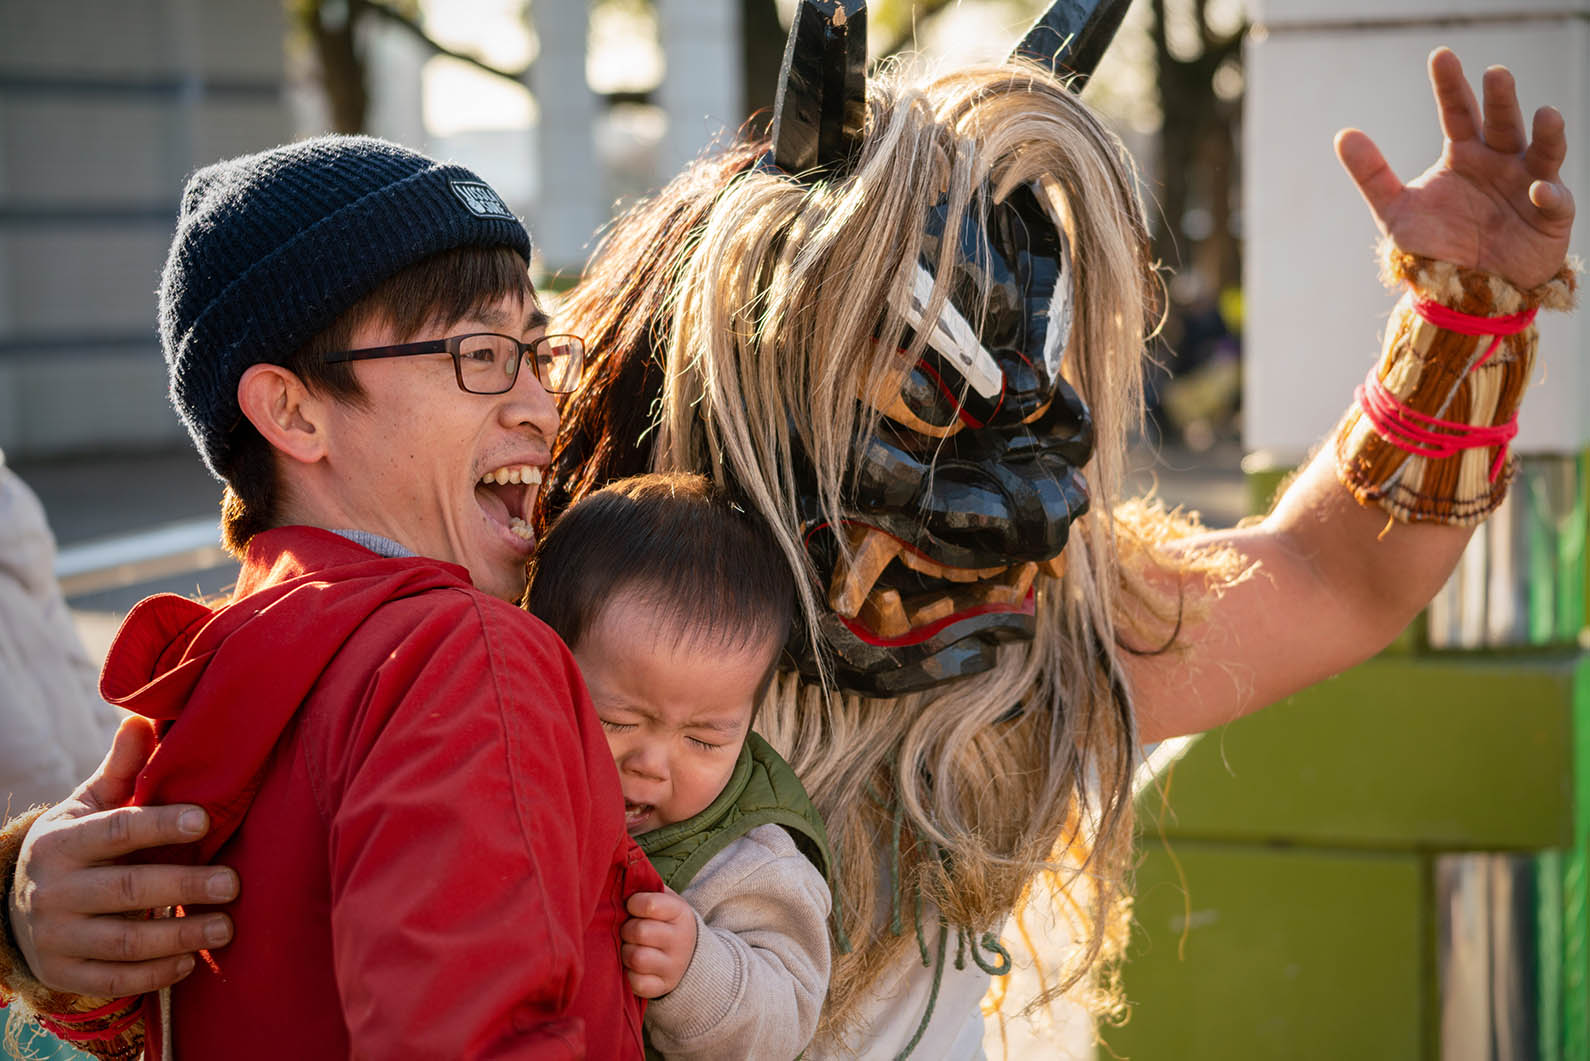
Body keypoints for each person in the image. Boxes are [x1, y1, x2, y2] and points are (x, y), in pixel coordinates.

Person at [1, 3, 1580, 1057]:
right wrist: (21, 902)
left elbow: (1332, 578)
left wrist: (1463, 322)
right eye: (921, 381)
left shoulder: (1023, 642)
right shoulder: (551, 593)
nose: (1005, 471)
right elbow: (185, 852)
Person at [0, 135, 660, 1059]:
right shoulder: (462, 655)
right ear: (294, 411)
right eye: (479, 352)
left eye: (535, 354)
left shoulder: (212, 671)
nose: (540, 407)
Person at [527, 472, 833, 1059]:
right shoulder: (507, 772)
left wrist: (695, 969)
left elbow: (788, 1019)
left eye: (704, 740)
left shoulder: (750, 864)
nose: (652, 765)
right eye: (617, 721)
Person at [0, 450, 120, 817]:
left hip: (50, 811)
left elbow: (72, 657)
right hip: (54, 805)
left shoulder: (12, 509)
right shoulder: (13, 507)